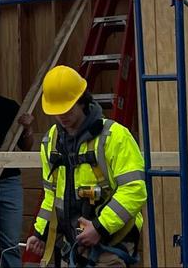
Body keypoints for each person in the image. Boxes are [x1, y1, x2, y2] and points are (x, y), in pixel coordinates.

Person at [25, 66, 146, 267]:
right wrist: (40, 233)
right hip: (71, 246)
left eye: (68, 108)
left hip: (111, 245)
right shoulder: (51, 141)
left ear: (82, 100)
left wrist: (99, 228)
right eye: (57, 111)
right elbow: (51, 195)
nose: (63, 116)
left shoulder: (114, 137)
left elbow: (134, 189)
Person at [0, 95, 34, 267]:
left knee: (9, 243)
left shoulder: (9, 106)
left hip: (8, 181)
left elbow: (26, 146)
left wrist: (27, 129)